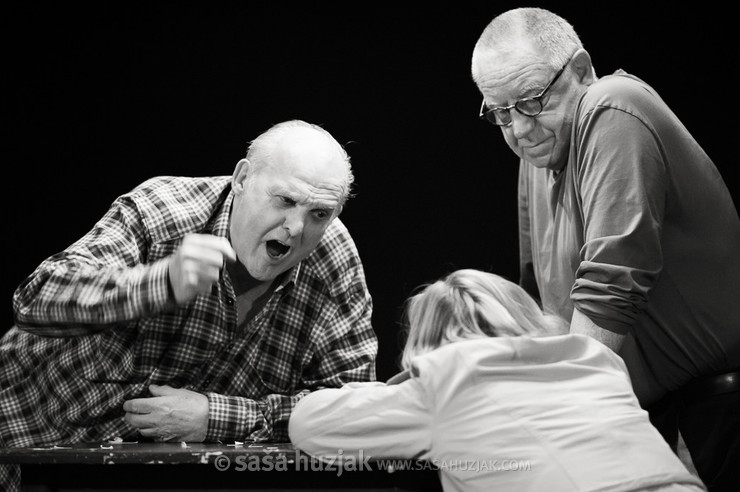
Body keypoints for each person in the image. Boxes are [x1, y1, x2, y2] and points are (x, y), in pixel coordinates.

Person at [0, 119, 378, 491]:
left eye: (319, 214)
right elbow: (35, 300)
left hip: (131, 474)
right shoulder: (163, 211)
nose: (296, 227)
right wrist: (160, 283)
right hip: (22, 429)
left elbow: (353, 413)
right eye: (285, 200)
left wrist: (219, 418)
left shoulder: (333, 264)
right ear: (242, 179)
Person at [469, 7, 740, 491]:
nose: (519, 130)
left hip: (708, 424)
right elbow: (541, 314)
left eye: (531, 101)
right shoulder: (537, 152)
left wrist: (553, 426)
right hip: (633, 417)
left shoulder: (610, 105)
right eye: (500, 112)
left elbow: (609, 288)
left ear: (580, 69)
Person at [289, 269, 706, 492]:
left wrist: (395, 385)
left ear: (428, 344)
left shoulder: (445, 379)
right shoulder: (596, 360)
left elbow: (308, 425)